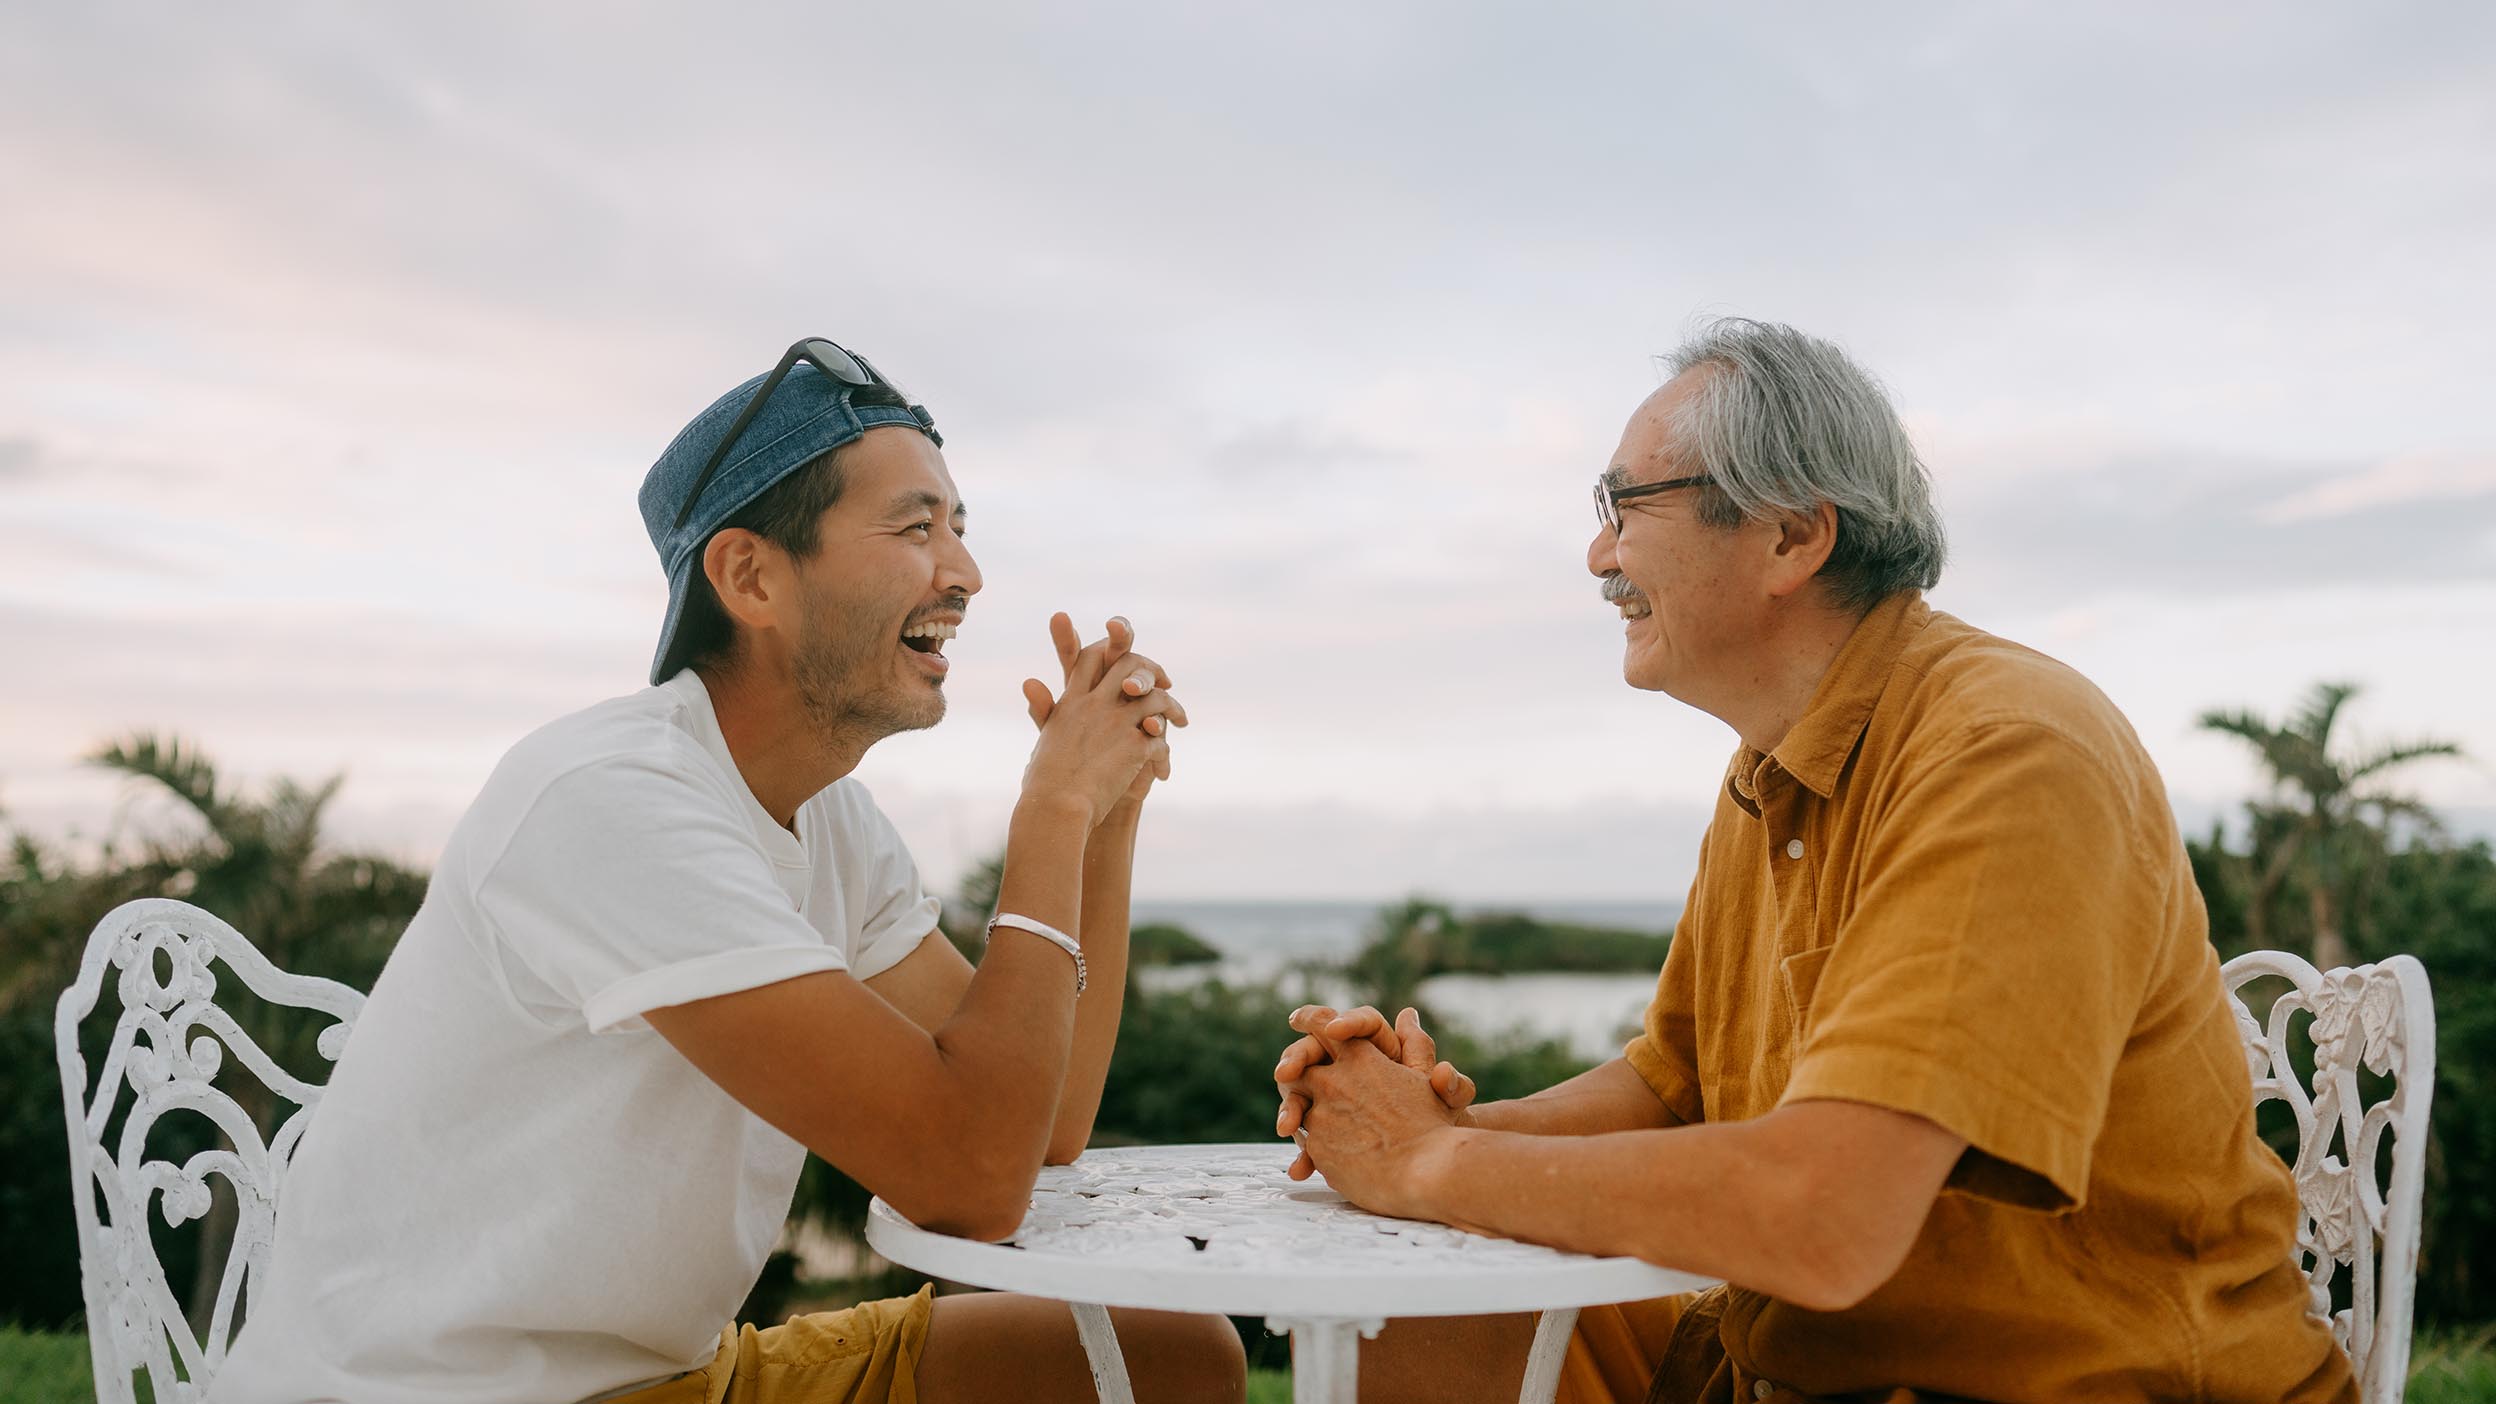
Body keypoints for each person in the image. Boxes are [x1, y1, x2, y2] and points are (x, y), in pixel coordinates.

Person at [1272, 319, 2354, 1403]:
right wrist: (1438, 1124)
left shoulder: (2008, 749)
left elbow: (1828, 1215)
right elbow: (1674, 1086)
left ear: (1791, 537)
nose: (1599, 554)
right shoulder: (1769, 770)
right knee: (1404, 1332)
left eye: (1624, 506)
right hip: (1781, 1364)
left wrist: (1430, 1166)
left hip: (2070, 1382)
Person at [216, 337, 1245, 1404]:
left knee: (1166, 1356)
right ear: (750, 575)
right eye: (915, 527)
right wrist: (1052, 804)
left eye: (960, 528)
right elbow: (972, 1180)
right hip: (452, 1393)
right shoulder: (610, 801)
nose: (965, 573)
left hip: (681, 1377)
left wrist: (1105, 824)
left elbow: (1047, 1124)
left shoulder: (830, 822)